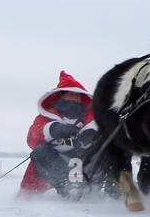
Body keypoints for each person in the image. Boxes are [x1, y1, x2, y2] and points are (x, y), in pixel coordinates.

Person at [19, 71, 103, 200]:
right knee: (40, 152)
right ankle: (68, 189)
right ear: (60, 96)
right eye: (69, 93)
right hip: (53, 167)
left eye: (77, 95)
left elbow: (104, 133)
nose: (74, 97)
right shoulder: (45, 117)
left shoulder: (92, 119)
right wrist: (53, 129)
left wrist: (92, 134)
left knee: (106, 150)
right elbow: (31, 139)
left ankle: (112, 191)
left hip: (84, 165)